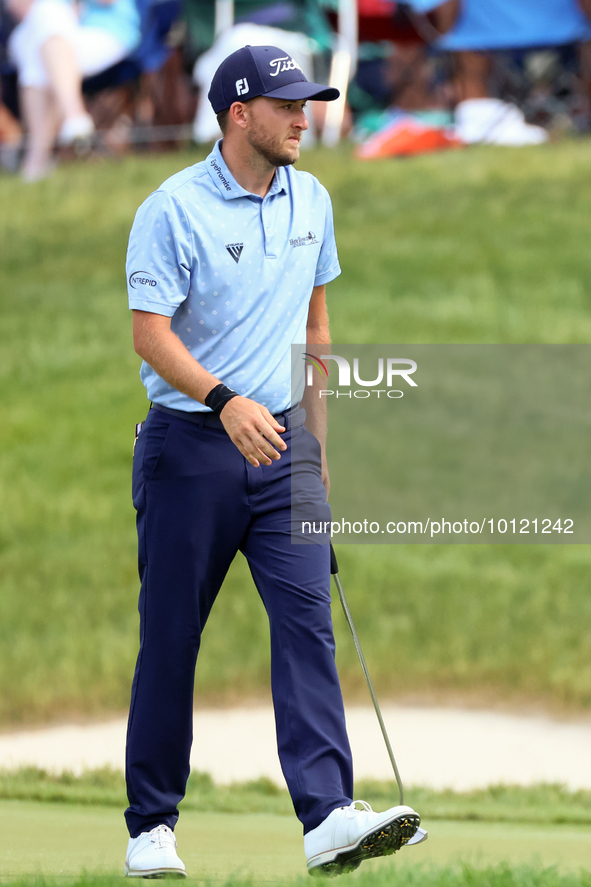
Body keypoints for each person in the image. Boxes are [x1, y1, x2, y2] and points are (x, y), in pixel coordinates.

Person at [124, 43, 425, 879]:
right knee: (171, 640)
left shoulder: (313, 197)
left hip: (286, 449)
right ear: (237, 115)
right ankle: (150, 826)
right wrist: (226, 402)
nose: (304, 116)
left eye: (308, 102)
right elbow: (151, 332)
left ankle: (327, 813)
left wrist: (317, 442)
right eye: (288, 104)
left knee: (307, 626)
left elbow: (315, 326)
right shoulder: (172, 208)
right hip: (189, 449)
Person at [7, 0, 140, 180]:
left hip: (106, 30)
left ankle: (37, 159)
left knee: (43, 46)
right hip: (54, 32)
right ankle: (74, 115)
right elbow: (17, 8)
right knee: (46, 18)